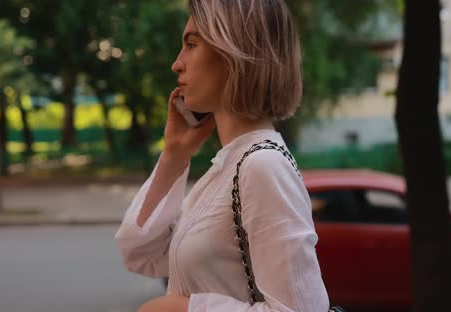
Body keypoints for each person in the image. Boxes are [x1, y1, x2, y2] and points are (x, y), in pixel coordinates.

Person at [115, 0, 330, 311]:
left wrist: (183, 309)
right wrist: (175, 156)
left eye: (191, 44)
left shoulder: (263, 165)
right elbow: (140, 253)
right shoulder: (228, 167)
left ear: (234, 53)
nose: (177, 63)